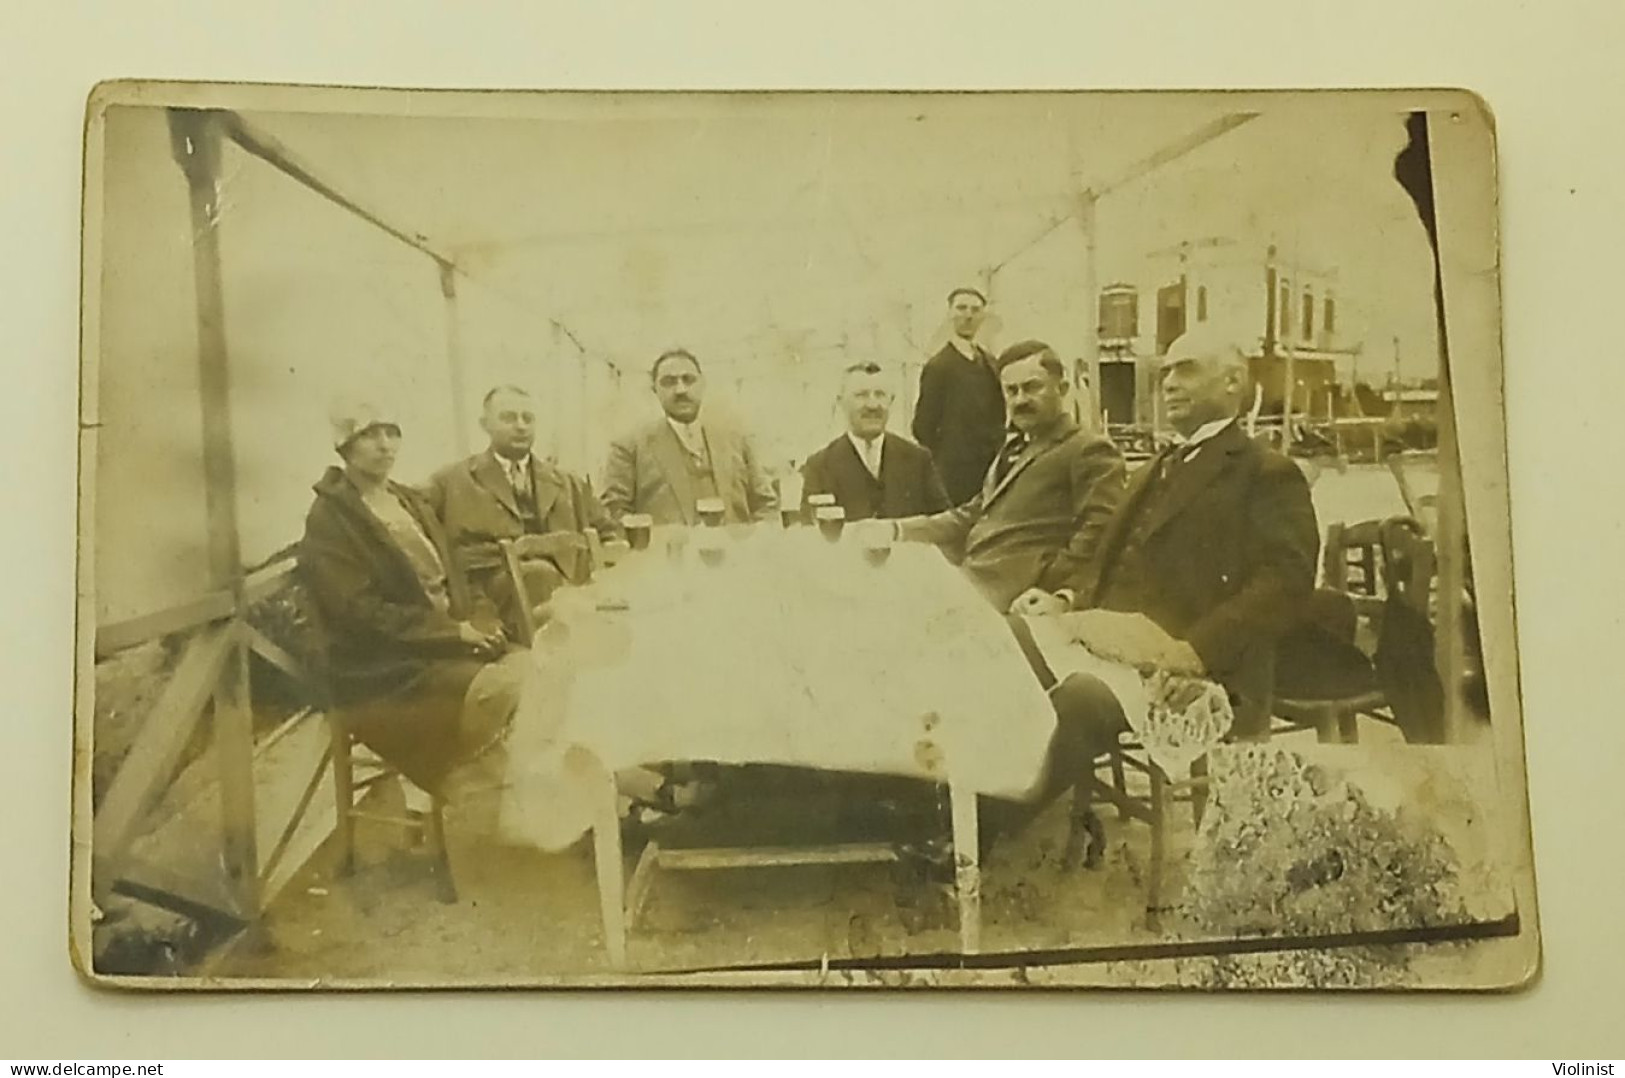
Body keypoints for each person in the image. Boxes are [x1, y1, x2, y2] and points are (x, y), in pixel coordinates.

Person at [997, 323, 1322, 857]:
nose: (1169, 383)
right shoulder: (1157, 465)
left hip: (1197, 667)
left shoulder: (1266, 472)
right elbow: (1110, 560)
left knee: (1079, 702)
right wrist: (1066, 601)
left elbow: (1285, 585)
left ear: (1233, 383)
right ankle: (951, 794)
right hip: (1118, 642)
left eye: (1187, 369)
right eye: (1167, 371)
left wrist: (1196, 652)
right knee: (1007, 639)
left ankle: (975, 830)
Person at [299, 401, 526, 799]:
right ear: (344, 446)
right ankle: (486, 798)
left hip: (444, 642)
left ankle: (530, 794)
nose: (385, 445)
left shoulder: (409, 500)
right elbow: (360, 613)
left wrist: (481, 617)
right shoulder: (331, 518)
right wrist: (454, 632)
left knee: (546, 671)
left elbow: (455, 572)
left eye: (392, 432)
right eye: (370, 434)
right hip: (386, 668)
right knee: (509, 689)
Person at [884, 339, 1126, 613]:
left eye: (1032, 387)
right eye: (1011, 391)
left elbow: (1101, 531)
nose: (1020, 400)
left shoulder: (1087, 448)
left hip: (1015, 597)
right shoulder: (1013, 449)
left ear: (1062, 389)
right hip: (972, 578)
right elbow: (971, 514)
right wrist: (896, 529)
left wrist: (1054, 591)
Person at [426, 385, 620, 639]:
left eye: (527, 418)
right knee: (538, 574)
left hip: (572, 600)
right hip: (492, 608)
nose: (520, 426)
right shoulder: (452, 482)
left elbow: (609, 533)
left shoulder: (568, 483)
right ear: (485, 424)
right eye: (508, 418)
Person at [600, 348, 778, 526]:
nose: (680, 390)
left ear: (702, 384)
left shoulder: (736, 439)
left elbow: (766, 505)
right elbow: (614, 514)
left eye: (688, 379)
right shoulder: (629, 447)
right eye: (668, 382)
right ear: (654, 389)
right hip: (667, 553)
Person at [800, 361, 951, 521]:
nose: (872, 405)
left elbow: (946, 526)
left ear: (891, 401)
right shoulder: (819, 466)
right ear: (841, 402)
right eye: (861, 395)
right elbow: (811, 537)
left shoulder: (918, 460)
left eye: (880, 394)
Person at [910, 287, 1005, 506]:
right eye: (961, 308)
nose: (968, 315)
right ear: (950, 314)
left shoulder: (990, 362)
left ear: (983, 316)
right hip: (954, 475)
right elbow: (922, 427)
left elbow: (998, 415)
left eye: (975, 309)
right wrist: (949, 455)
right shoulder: (938, 366)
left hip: (990, 470)